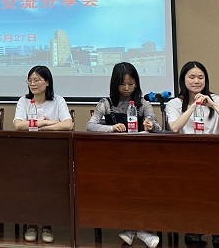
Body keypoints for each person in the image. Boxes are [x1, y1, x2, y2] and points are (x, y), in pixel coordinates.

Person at [86, 62, 160, 248]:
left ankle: (133, 230)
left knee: (143, 186)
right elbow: (90, 125)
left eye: (131, 84)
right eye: (122, 84)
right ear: (114, 84)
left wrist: (151, 126)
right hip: (116, 158)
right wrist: (111, 128)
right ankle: (139, 230)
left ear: (136, 83)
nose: (127, 88)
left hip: (142, 158)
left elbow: (158, 127)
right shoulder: (106, 103)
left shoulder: (143, 103)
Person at [13, 65, 72, 243]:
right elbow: (18, 125)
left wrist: (37, 125)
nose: (33, 84)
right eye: (30, 80)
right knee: (29, 187)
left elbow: (68, 124)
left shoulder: (58, 101)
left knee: (49, 188)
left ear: (47, 82)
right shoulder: (24, 101)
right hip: (27, 152)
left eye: (37, 80)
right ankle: (31, 224)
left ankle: (47, 225)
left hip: (52, 153)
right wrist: (46, 123)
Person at [165, 61, 219, 247]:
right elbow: (174, 128)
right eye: (192, 77)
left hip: (214, 154)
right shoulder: (174, 103)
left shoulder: (215, 99)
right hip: (187, 156)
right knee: (193, 192)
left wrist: (212, 105)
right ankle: (195, 228)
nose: (197, 81)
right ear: (183, 79)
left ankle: (216, 229)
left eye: (200, 77)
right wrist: (193, 106)